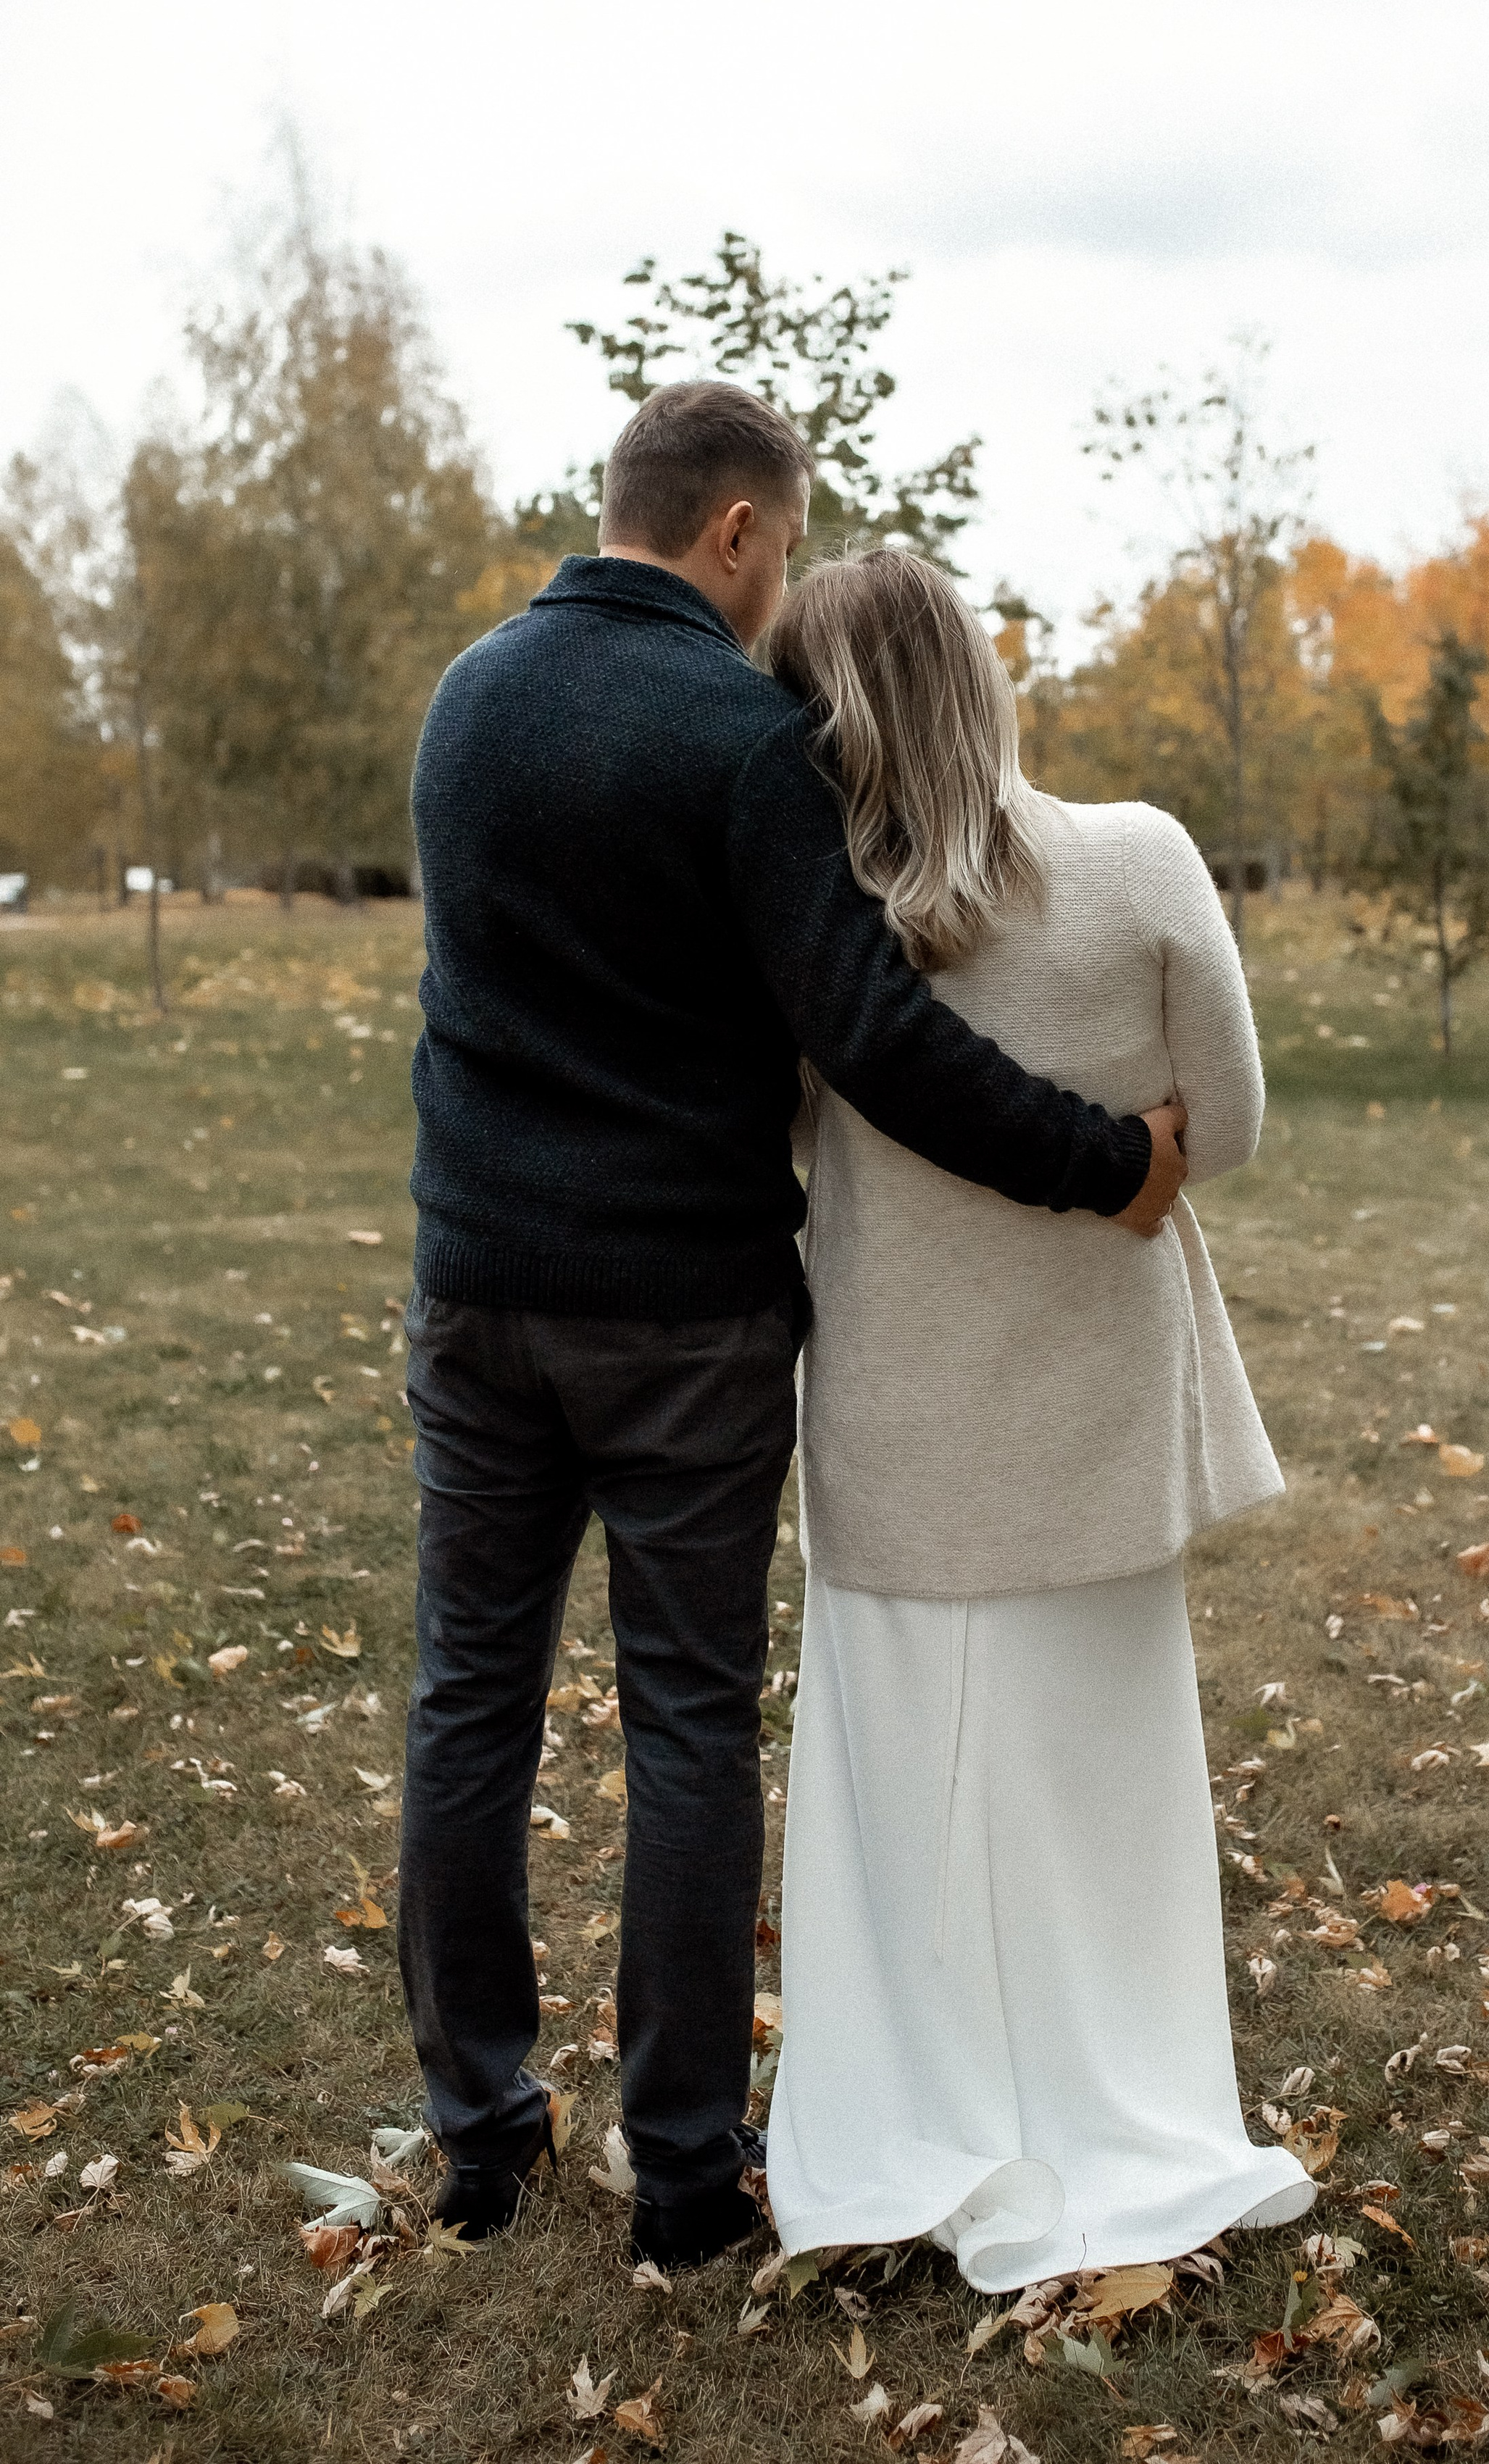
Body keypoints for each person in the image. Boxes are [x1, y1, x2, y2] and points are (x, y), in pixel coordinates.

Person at [398, 383, 1188, 2263]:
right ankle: (680, 2176)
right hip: (683, 1320)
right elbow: (878, 1037)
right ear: (737, 532)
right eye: (781, 555)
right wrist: (1108, 1163)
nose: (781, 601)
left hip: (479, 1291)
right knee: (683, 1723)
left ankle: (480, 2132)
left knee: (468, 1701)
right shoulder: (745, 740)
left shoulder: (468, 702)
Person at [765, 549, 1317, 2287]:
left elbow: (785, 1143)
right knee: (1099, 1798)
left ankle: (917, 2113)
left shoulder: (811, 915)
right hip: (1087, 1410)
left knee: (900, 1810)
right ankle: (1123, 2106)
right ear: (983, 678)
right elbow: (1216, 1129)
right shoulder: (1136, 859)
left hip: (895, 1408)